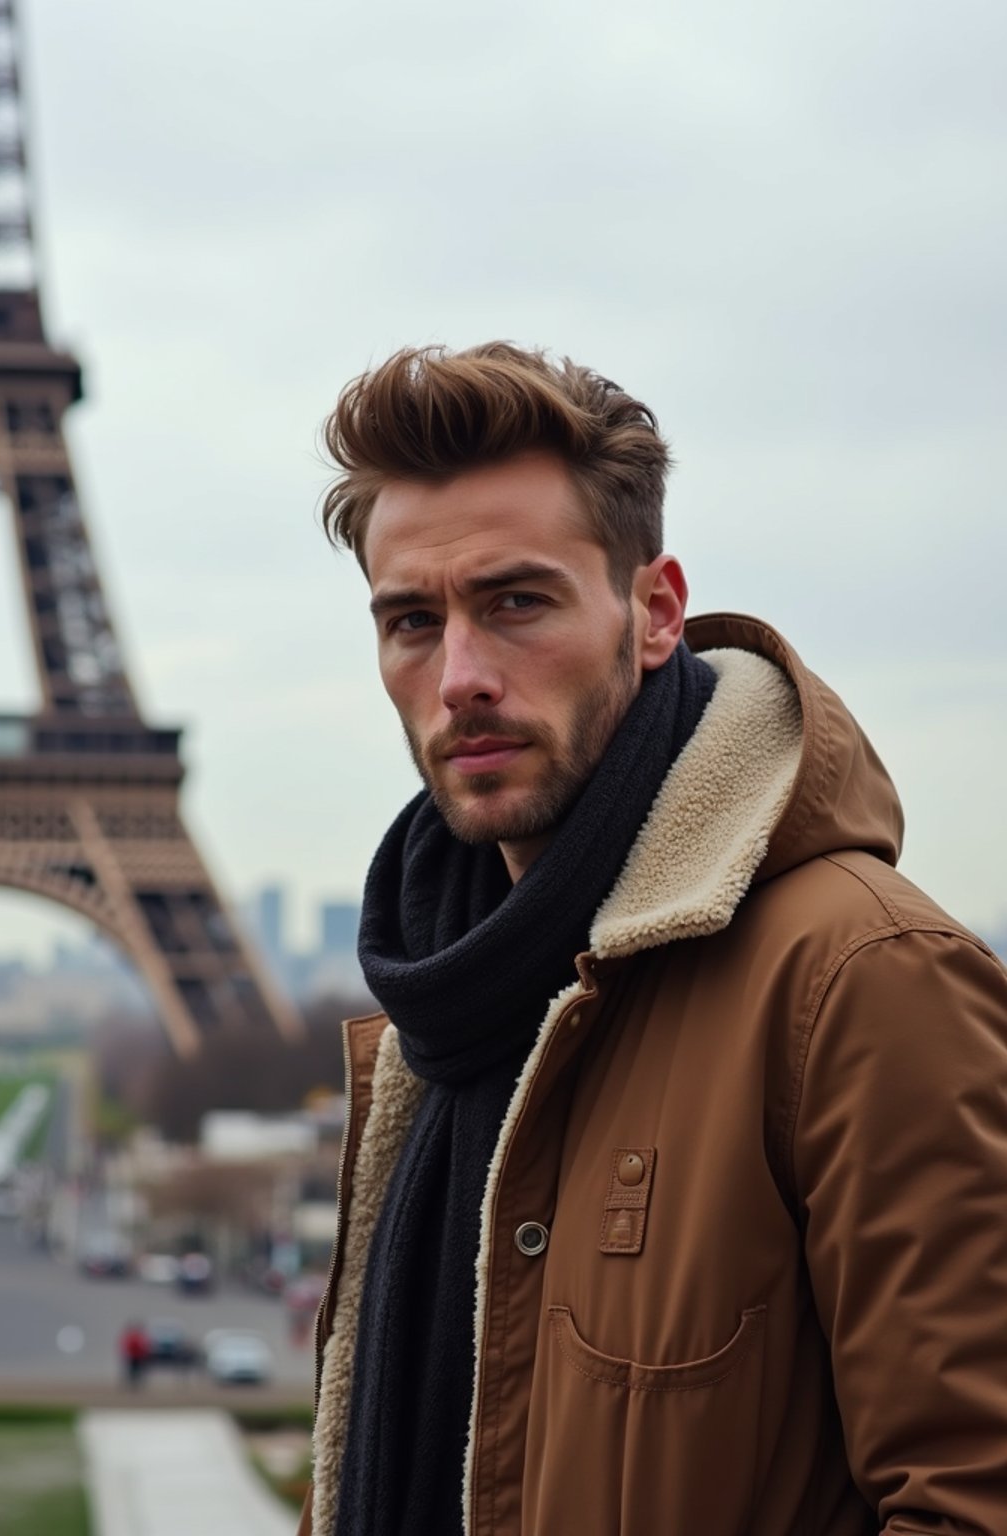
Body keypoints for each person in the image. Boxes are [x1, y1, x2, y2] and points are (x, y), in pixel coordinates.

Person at [299, 343, 1007, 1536]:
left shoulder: (857, 980)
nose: (460, 674)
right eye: (412, 620)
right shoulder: (441, 1005)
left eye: (516, 602)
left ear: (654, 613)